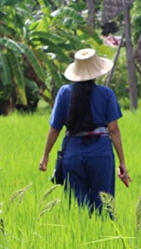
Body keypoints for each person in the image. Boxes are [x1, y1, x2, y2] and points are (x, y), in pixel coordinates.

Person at [39, 48, 131, 214]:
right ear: (97, 72)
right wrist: (122, 162)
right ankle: (104, 237)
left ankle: (83, 236)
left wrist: (45, 155)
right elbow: (114, 130)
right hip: (101, 155)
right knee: (104, 208)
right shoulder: (106, 94)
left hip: (73, 155)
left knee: (78, 209)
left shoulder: (64, 93)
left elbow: (55, 128)